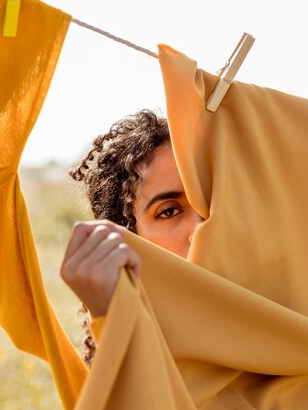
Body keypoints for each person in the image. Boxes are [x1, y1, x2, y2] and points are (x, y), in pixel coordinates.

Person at [60, 109, 203, 364]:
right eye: (168, 211)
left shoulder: (281, 311)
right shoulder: (137, 360)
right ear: (129, 237)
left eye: (210, 202)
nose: (200, 227)